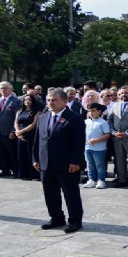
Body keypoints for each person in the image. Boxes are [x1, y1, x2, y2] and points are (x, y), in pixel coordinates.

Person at [33, 88, 85, 234]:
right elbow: (38, 140)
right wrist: (36, 158)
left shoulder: (74, 118)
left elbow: (78, 142)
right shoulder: (43, 117)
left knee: (70, 194)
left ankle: (75, 220)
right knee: (50, 193)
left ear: (64, 100)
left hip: (67, 164)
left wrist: (75, 161)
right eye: (48, 100)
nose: (50, 103)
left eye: (54, 100)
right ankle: (56, 218)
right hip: (46, 163)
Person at [0, 81, 22, 177]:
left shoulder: (16, 101)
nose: (3, 90)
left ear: (11, 89)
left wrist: (13, 130)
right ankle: (5, 170)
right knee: (1, 151)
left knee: (12, 152)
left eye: (5, 88)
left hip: (9, 131)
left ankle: (16, 170)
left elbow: (17, 117)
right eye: (1, 88)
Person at [83, 103, 111, 189]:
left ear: (99, 112)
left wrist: (97, 140)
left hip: (99, 149)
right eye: (89, 111)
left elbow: (107, 135)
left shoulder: (103, 122)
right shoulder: (86, 122)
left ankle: (101, 180)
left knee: (100, 165)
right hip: (87, 148)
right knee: (89, 164)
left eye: (93, 111)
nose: (91, 113)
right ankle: (91, 179)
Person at [15, 95, 41, 180]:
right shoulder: (19, 111)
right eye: (25, 100)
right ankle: (24, 174)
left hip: (31, 135)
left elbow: (33, 124)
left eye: (29, 100)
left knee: (31, 154)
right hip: (20, 136)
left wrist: (22, 131)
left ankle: (33, 175)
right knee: (22, 155)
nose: (27, 101)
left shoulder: (37, 112)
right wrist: (18, 132)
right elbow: (16, 122)